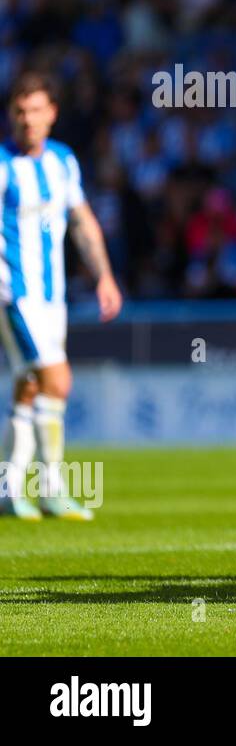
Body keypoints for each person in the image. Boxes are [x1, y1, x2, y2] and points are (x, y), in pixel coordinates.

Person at [0, 73, 122, 522]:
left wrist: (104, 276)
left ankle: (10, 490)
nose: (26, 120)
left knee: (29, 387)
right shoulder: (2, 165)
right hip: (12, 294)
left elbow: (82, 222)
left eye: (35, 110)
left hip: (53, 298)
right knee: (57, 378)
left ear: (51, 113)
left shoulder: (62, 161)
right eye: (18, 111)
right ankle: (51, 488)